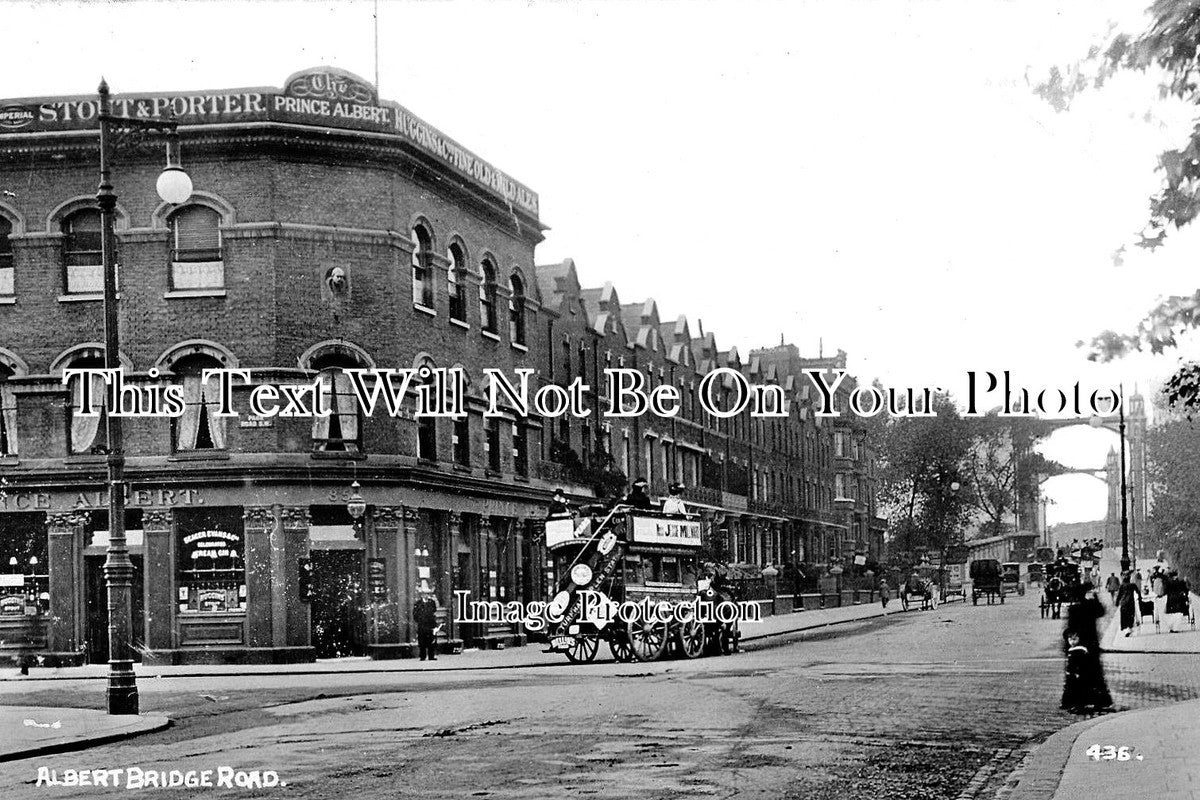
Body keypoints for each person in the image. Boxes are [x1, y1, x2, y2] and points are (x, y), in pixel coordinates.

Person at [1061, 581, 1113, 713]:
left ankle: (1078, 702)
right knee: (1093, 674)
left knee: (1078, 675)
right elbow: (1101, 611)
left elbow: (1069, 629)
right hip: (1090, 644)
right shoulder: (1090, 606)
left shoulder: (1074, 609)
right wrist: (1095, 598)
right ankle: (1098, 701)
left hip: (1079, 645)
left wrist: (1067, 645)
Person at [413, 590, 439, 661]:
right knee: (422, 641)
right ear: (422, 595)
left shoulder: (432, 602)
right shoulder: (418, 603)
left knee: (431, 640)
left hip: (430, 624)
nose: (426, 596)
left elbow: (434, 611)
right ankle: (422, 656)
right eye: (424, 594)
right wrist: (420, 620)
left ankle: (431, 656)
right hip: (422, 625)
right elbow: (415, 614)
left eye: (427, 594)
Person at [1115, 573, 1141, 637]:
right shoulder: (1132, 585)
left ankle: (1126, 629)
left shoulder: (1122, 585)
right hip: (1130, 602)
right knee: (1130, 615)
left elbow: (1119, 595)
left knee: (1124, 616)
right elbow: (1138, 592)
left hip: (1123, 603)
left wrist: (1117, 602)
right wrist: (1140, 598)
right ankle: (1129, 628)